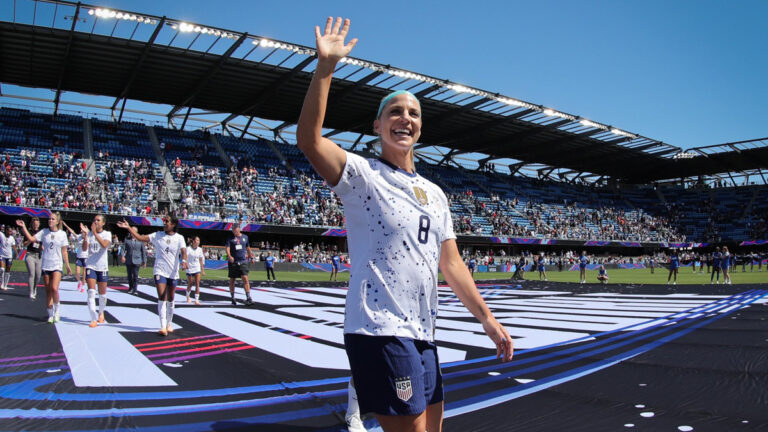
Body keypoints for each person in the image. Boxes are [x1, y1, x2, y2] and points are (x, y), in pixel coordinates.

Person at [296, 17, 512, 432]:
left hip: (423, 332)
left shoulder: (436, 193)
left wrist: (487, 319)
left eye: (413, 113)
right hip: (379, 328)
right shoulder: (363, 175)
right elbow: (309, 139)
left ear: (420, 128)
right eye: (394, 111)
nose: (405, 118)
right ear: (377, 126)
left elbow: (452, 266)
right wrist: (325, 69)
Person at [117, 216, 187, 336]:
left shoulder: (179, 238)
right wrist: (128, 227)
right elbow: (140, 237)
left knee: (171, 298)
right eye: (164, 221)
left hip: (173, 272)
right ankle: (162, 326)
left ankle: (169, 323)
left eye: (167, 222)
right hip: (160, 270)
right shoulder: (157, 235)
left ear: (174, 224)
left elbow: (184, 252)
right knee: (161, 296)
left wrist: (184, 261)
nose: (164, 223)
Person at [16, 213, 72, 323]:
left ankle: (57, 311)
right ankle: (50, 314)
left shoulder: (62, 234)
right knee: (48, 290)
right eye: (49, 219)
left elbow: (64, 251)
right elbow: (32, 239)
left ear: (57, 221)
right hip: (46, 264)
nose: (50, 220)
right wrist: (23, 227)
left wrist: (68, 266)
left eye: (52, 219)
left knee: (54, 288)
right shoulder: (44, 232)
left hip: (57, 264)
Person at [80, 215, 112, 328]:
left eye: (98, 220)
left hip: (102, 267)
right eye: (94, 220)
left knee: (102, 294)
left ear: (103, 223)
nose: (96, 222)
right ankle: (93, 318)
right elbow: (84, 249)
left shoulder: (107, 234)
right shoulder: (89, 234)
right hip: (91, 265)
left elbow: (104, 245)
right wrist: (85, 237)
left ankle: (101, 312)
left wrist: (94, 233)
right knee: (91, 292)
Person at [226, 226, 253, 306]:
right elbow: (227, 248)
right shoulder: (230, 238)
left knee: (245, 278)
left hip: (243, 261)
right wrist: (229, 256)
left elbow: (248, 248)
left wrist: (251, 256)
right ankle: (233, 297)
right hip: (233, 262)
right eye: (233, 230)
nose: (234, 231)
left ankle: (248, 297)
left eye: (235, 230)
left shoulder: (245, 237)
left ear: (238, 229)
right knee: (232, 279)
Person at [62, 222, 87, 293]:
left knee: (84, 273)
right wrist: (66, 225)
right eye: (81, 231)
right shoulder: (79, 237)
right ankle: (79, 282)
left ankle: (83, 287)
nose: (81, 232)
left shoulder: (88, 238)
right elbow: (72, 231)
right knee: (77, 272)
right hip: (79, 256)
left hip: (85, 257)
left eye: (83, 231)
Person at [22, 217, 43, 300]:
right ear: (32, 223)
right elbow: (25, 244)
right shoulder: (29, 232)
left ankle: (34, 288)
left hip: (39, 255)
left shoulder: (41, 233)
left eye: (37, 222)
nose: (36, 224)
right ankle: (31, 292)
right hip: (30, 254)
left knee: (38, 275)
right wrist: (31, 239)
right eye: (34, 222)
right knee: (32, 274)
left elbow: (42, 243)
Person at [185, 236, 205, 305]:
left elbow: (201, 260)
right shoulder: (188, 249)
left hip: (197, 268)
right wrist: (185, 264)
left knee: (197, 283)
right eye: (197, 240)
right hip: (190, 268)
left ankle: (196, 299)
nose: (198, 242)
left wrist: (202, 269)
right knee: (190, 283)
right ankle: (188, 296)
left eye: (199, 240)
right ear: (193, 241)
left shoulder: (199, 249)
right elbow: (186, 257)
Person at [0, 225, 18, 290]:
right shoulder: (1, 235)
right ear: (6, 231)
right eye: (9, 231)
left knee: (7, 271)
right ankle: (2, 283)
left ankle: (5, 285)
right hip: (2, 255)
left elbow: (14, 246)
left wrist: (16, 253)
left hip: (9, 256)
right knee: (2, 269)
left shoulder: (12, 238)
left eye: (11, 231)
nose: (10, 232)